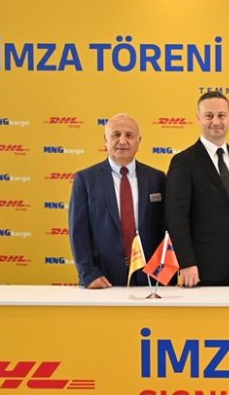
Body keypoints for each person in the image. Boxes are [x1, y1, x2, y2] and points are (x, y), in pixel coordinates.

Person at [165, 91, 229, 287]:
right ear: (198, 118)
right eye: (209, 116)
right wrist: (186, 262)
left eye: (221, 115)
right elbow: (176, 218)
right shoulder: (183, 162)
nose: (216, 121)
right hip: (201, 267)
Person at [68, 113, 166, 288]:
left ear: (138, 141)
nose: (122, 141)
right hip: (103, 278)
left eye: (129, 135)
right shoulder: (86, 179)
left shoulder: (157, 178)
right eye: (116, 135)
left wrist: (165, 272)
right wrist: (88, 273)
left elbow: (167, 228)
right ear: (105, 140)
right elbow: (78, 231)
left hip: (152, 278)